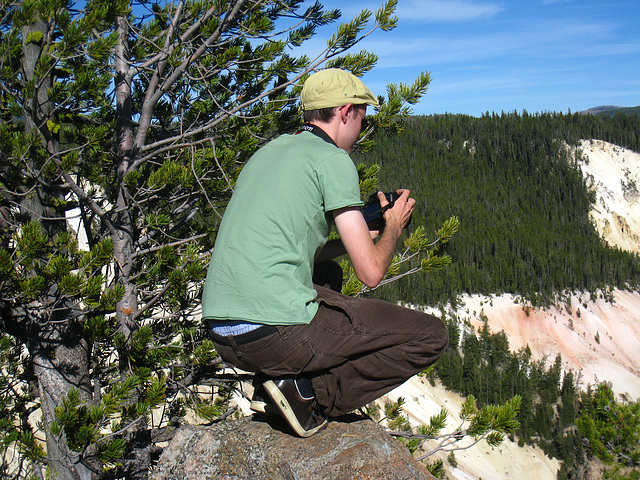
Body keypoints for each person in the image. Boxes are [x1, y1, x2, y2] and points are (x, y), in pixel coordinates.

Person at [201, 68, 448, 437]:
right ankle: (306, 395)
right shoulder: (332, 159)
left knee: (328, 273)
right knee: (430, 336)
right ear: (347, 112)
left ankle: (275, 382)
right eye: (363, 118)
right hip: (273, 333)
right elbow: (371, 273)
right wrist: (393, 225)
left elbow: (295, 250)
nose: (361, 129)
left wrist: (362, 236)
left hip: (224, 330)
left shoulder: (267, 153)